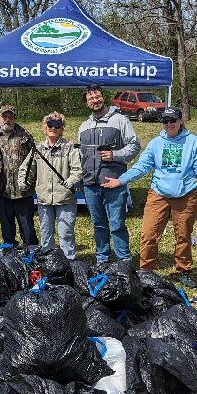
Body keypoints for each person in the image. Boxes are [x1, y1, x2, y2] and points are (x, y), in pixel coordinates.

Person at [102, 107, 197, 288]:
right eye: (165, 121)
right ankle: (146, 272)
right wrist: (121, 181)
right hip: (159, 193)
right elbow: (142, 166)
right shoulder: (156, 143)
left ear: (180, 121)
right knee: (149, 233)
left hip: (186, 193)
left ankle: (183, 270)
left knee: (183, 235)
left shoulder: (193, 141)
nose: (169, 124)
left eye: (173, 120)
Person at [78, 84, 141, 263]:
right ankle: (102, 259)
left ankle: (124, 261)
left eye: (97, 97)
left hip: (114, 182)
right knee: (98, 225)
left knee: (117, 225)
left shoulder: (120, 120)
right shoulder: (83, 127)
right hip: (90, 185)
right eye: (91, 99)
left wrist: (116, 155)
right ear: (86, 103)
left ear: (103, 97)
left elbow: (135, 145)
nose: (95, 101)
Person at [19, 112, 82, 260]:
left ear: (62, 129)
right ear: (45, 127)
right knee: (46, 235)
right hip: (44, 200)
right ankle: (49, 264)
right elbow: (26, 168)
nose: (53, 128)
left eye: (57, 125)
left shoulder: (69, 147)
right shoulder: (38, 149)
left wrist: (71, 181)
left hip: (65, 199)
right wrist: (23, 182)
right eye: (50, 124)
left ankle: (69, 262)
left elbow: (78, 170)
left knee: (66, 234)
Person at [0, 104, 39, 247]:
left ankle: (32, 253)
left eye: (10, 117)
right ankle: (10, 254)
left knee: (27, 228)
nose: (7, 120)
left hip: (22, 192)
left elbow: (34, 162)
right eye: (4, 116)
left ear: (15, 118)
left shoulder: (25, 135)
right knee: (7, 229)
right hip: (2, 191)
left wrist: (31, 183)